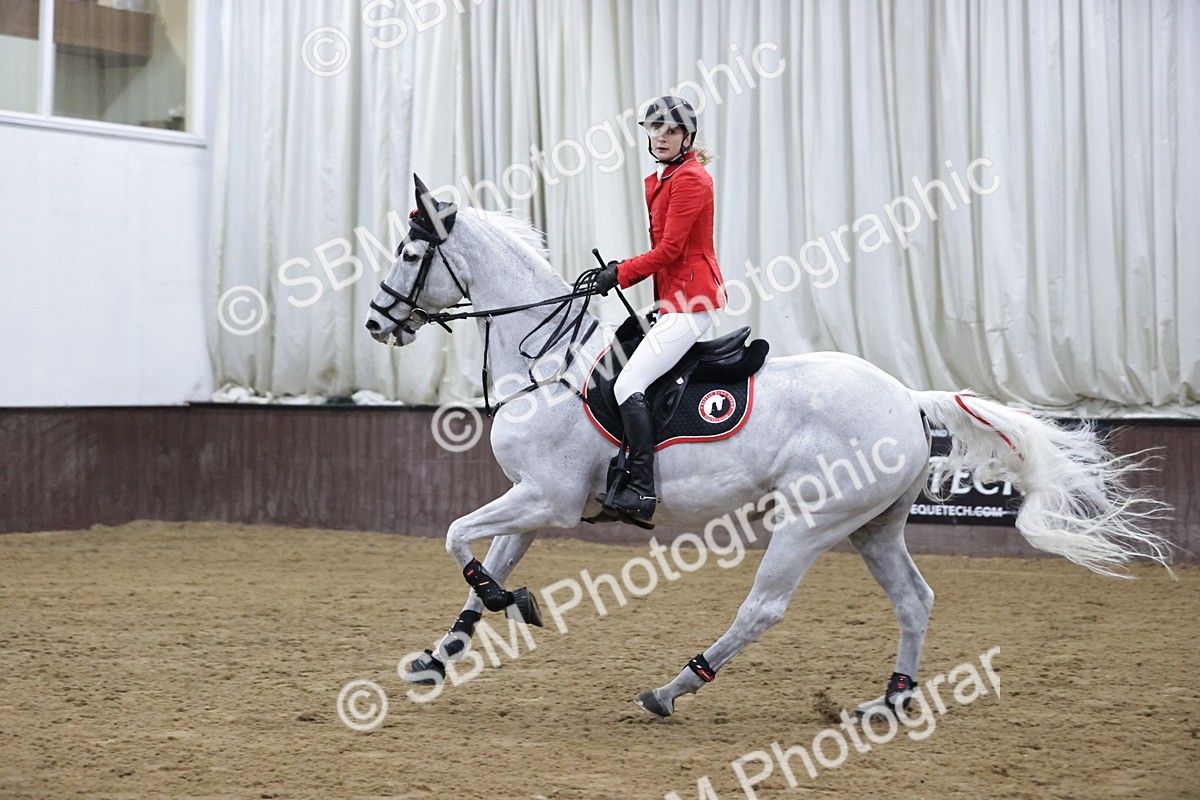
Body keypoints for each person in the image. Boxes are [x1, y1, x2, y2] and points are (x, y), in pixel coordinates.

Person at [593, 95, 727, 524]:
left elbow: (670, 250)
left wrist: (620, 274)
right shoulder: (662, 178)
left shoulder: (691, 179)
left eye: (671, 130)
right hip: (673, 302)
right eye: (655, 129)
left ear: (687, 137)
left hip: (693, 302)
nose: (662, 137)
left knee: (626, 382)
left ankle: (641, 488)